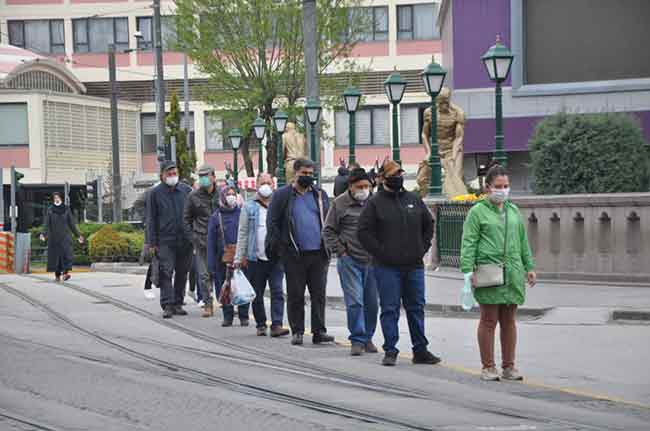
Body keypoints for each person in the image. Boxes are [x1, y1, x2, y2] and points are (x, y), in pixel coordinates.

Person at [460, 163, 536, 381]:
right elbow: (469, 242)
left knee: (509, 320)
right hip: (488, 272)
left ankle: (509, 366)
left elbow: (522, 242)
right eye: (498, 186)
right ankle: (488, 366)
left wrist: (529, 267)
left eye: (506, 185)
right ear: (487, 188)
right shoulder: (477, 212)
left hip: (512, 272)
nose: (503, 190)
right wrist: (468, 271)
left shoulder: (513, 211)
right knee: (489, 319)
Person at [358, 160, 439, 366]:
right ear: (383, 178)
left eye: (400, 173)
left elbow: (428, 224)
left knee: (417, 307)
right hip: (386, 267)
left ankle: (420, 350)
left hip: (414, 266)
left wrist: (422, 248)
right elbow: (364, 232)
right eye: (393, 174)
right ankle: (390, 350)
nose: (398, 177)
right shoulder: (374, 203)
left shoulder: (413, 199)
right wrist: (381, 253)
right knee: (390, 308)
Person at [266, 158, 334, 346]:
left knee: (319, 294)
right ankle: (297, 331)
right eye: (304, 173)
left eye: (311, 174)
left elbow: (328, 220)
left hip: (318, 253)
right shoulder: (282, 195)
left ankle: (319, 331)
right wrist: (282, 248)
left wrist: (328, 246)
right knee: (295, 294)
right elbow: (272, 223)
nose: (308, 177)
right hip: (294, 254)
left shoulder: (319, 195)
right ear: (295, 173)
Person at [323, 168, 378, 356]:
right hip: (350, 260)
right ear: (351, 187)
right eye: (360, 186)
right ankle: (357, 338)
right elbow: (328, 231)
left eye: (367, 186)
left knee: (372, 303)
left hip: (372, 260)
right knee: (355, 301)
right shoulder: (339, 204)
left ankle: (368, 337)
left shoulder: (374, 202)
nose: (364, 189)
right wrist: (342, 252)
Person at [234, 174, 290, 337]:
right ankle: (260, 324)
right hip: (255, 258)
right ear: (257, 185)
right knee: (257, 293)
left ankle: (277, 324)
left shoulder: (279, 205)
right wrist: (239, 257)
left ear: (273, 185)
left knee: (278, 291)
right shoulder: (249, 206)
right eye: (262, 183)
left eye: (268, 183)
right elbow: (243, 233)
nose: (265, 185)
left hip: (275, 257)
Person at [145, 162, 193, 318]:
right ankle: (167, 304)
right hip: (165, 240)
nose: (172, 176)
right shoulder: (155, 193)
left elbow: (193, 214)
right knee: (166, 272)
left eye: (174, 173)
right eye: (169, 173)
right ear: (162, 176)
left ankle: (178, 303)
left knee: (182, 272)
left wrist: (194, 236)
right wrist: (151, 243)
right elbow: (151, 218)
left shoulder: (186, 190)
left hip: (185, 239)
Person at [208, 185, 250, 326]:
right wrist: (211, 264)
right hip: (223, 258)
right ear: (222, 197)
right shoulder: (216, 217)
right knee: (224, 286)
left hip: (241, 256)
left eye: (233, 194)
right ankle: (228, 315)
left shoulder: (242, 212)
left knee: (242, 285)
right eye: (228, 194)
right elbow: (211, 241)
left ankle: (244, 315)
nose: (231, 197)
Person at [184, 164, 220, 317]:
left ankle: (228, 302)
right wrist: (193, 238)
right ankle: (207, 303)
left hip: (220, 240)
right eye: (201, 176)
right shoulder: (193, 196)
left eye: (206, 176)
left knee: (223, 274)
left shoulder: (222, 194)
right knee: (203, 274)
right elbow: (186, 219)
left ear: (213, 177)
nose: (204, 179)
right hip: (201, 240)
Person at [40, 192, 84, 282]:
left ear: (61, 198)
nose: (56, 199)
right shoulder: (50, 209)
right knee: (56, 257)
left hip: (65, 236)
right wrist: (43, 234)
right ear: (53, 199)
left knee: (67, 255)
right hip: (54, 237)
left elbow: (71, 223)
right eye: (55, 197)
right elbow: (47, 224)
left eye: (58, 197)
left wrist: (78, 235)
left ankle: (65, 274)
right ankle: (57, 275)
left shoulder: (66, 209)